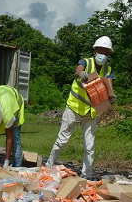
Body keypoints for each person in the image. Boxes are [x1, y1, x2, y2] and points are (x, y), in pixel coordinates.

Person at [47, 36, 116, 179]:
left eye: (106, 52)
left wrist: (111, 96)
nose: (103, 55)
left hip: (90, 112)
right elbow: (78, 71)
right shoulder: (86, 62)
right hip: (74, 107)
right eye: (100, 51)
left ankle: (86, 176)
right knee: (62, 139)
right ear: (94, 51)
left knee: (89, 146)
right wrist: (81, 74)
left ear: (108, 54)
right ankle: (49, 165)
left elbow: (110, 85)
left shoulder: (108, 69)